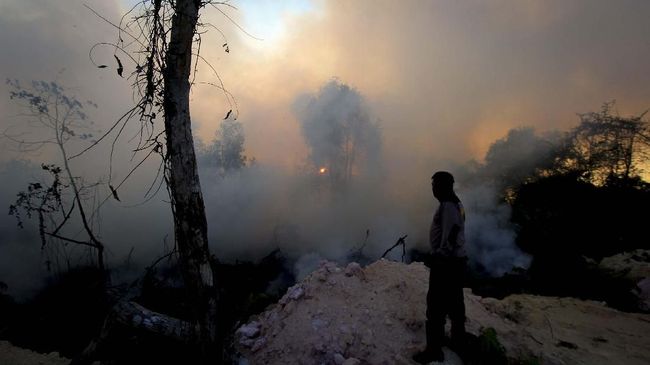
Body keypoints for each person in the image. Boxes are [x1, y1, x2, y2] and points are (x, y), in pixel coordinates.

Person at [413, 171, 467, 364]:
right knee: (455, 304)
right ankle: (457, 341)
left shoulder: (448, 206)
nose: (433, 189)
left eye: (435, 185)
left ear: (445, 186)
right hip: (456, 263)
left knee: (435, 307)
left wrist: (437, 256)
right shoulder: (457, 203)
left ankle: (434, 350)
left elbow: (451, 236)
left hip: (446, 265)